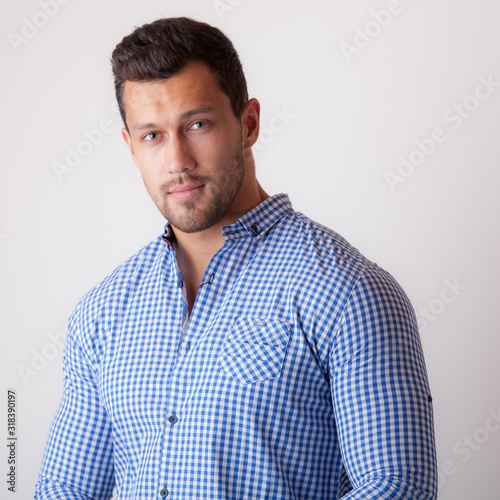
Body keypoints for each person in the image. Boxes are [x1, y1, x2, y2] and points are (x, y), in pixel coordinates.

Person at [35, 17, 438, 499]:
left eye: (197, 124)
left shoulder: (347, 292)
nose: (177, 160)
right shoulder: (102, 314)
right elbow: (64, 489)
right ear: (130, 146)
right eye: (152, 136)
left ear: (248, 124)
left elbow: (397, 487)